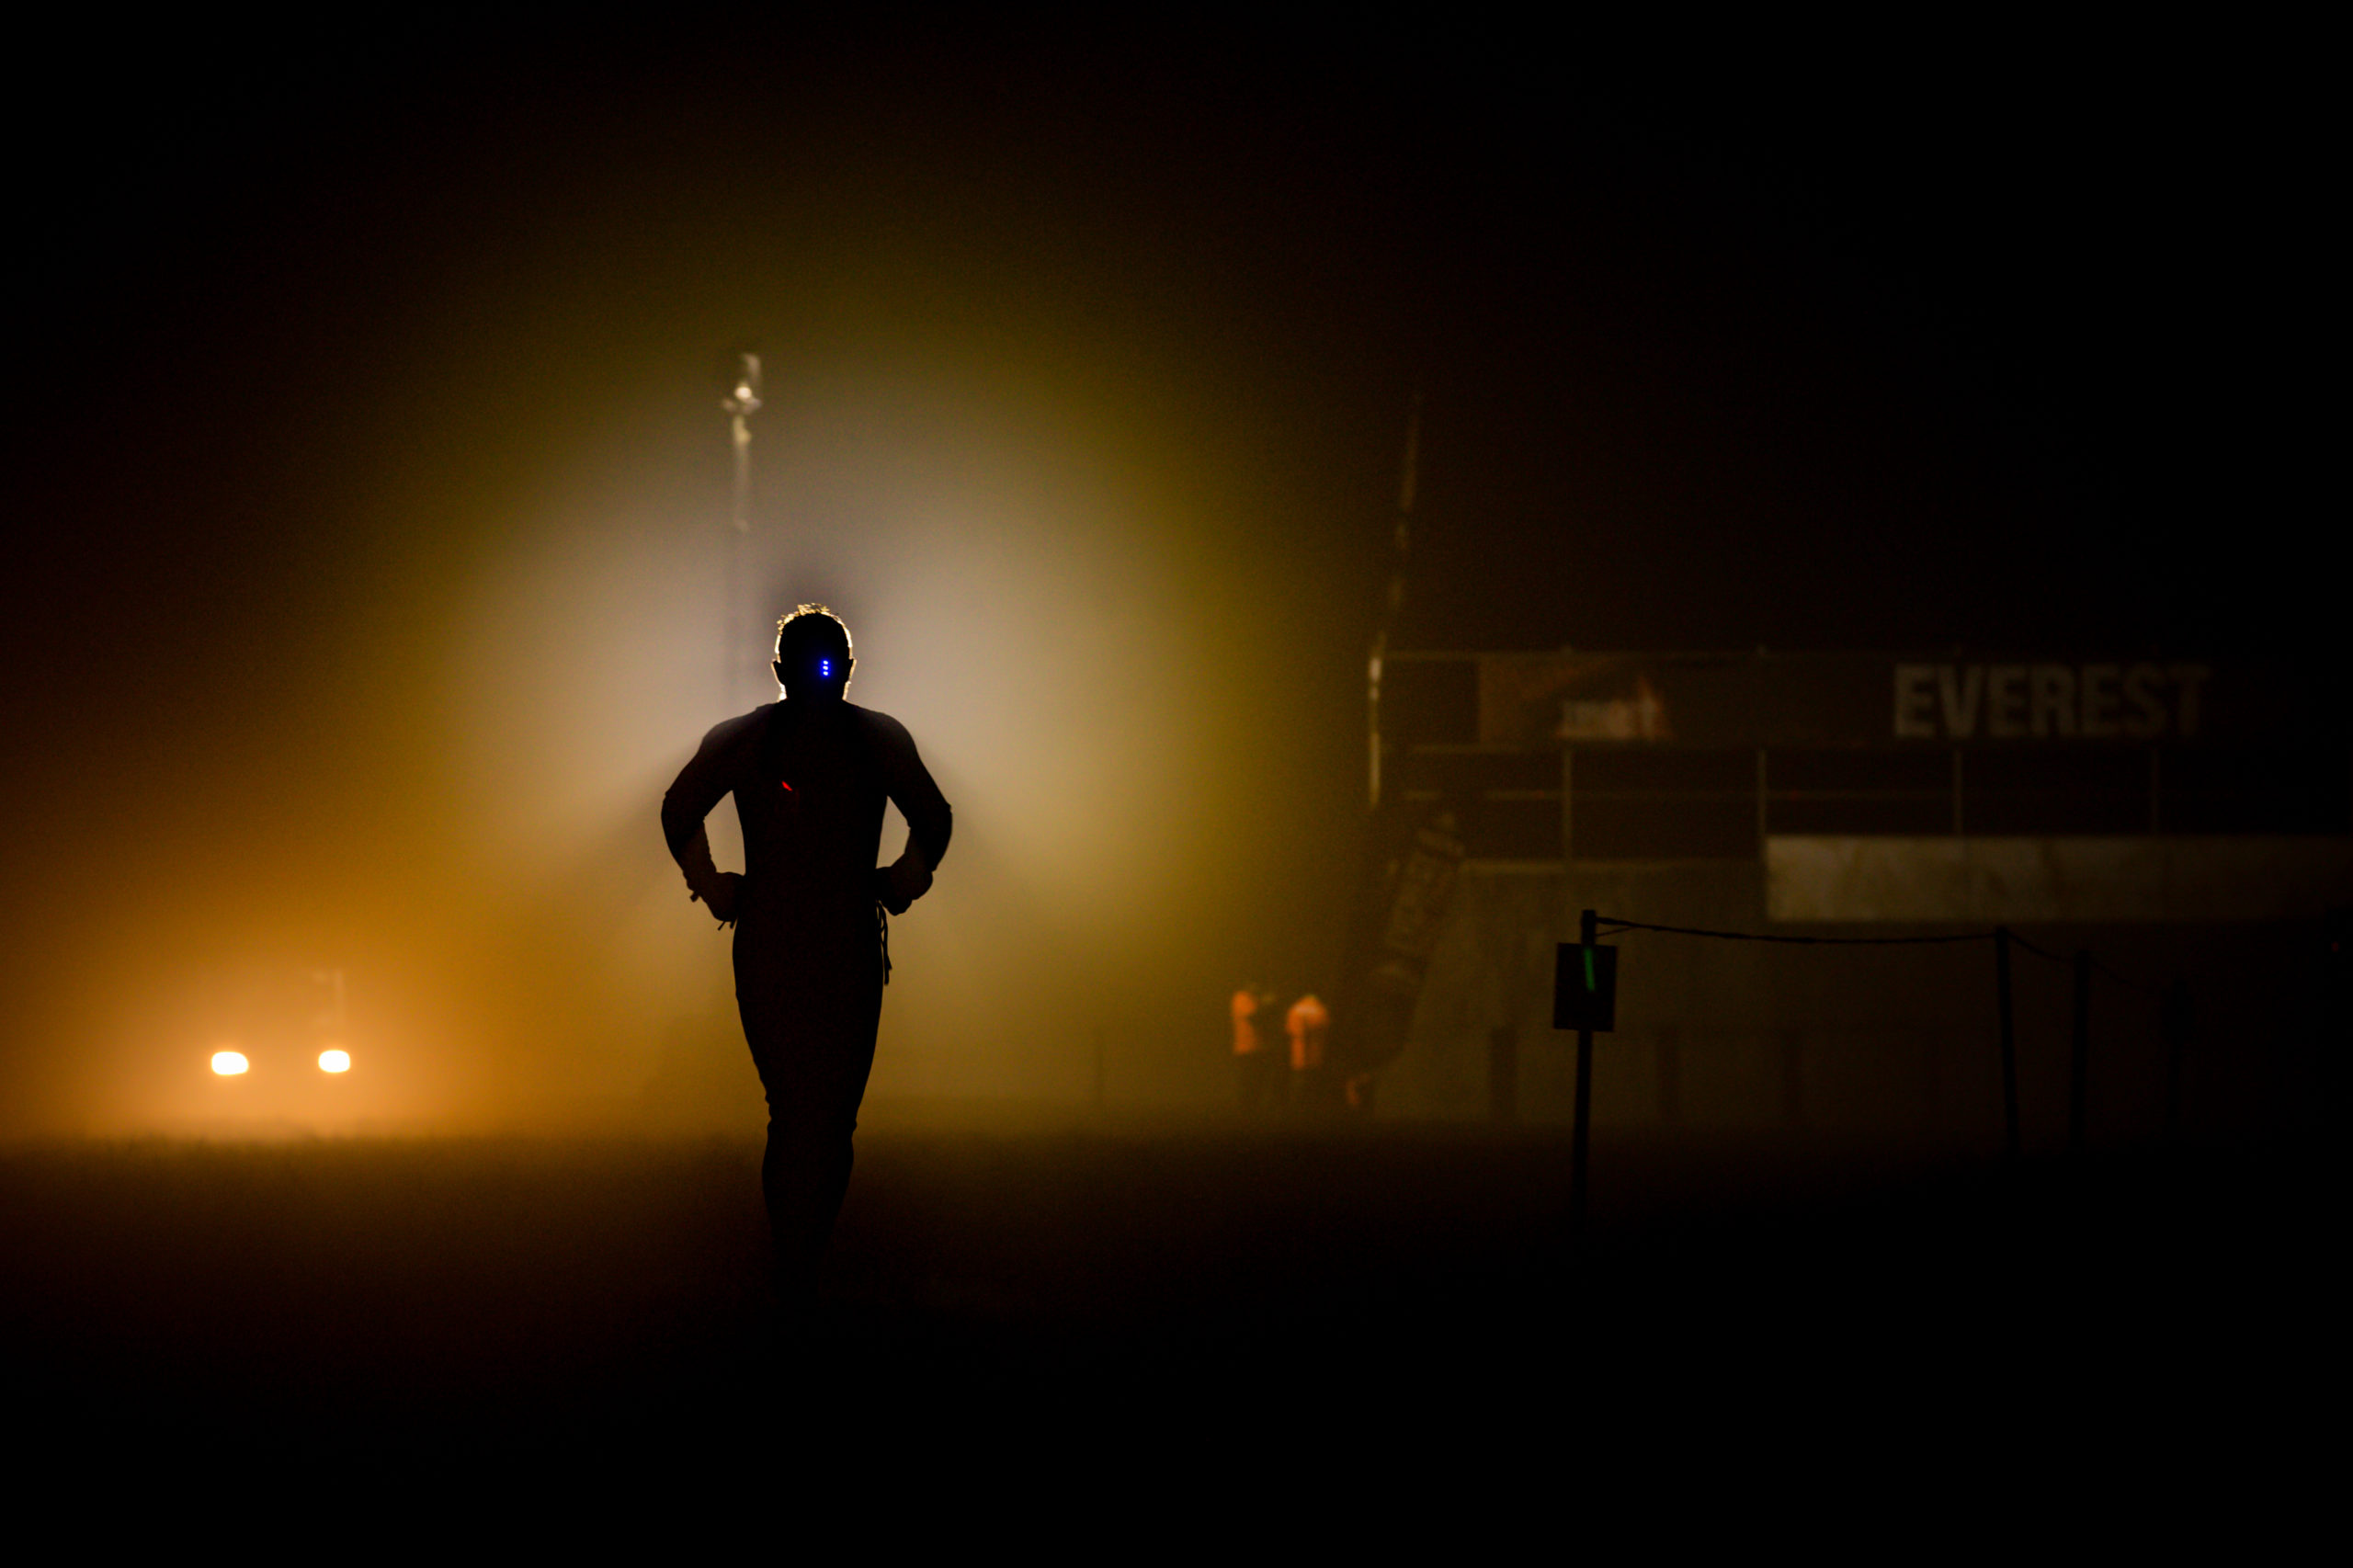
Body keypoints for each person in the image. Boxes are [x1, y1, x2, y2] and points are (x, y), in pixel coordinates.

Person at [662, 604, 951, 1303]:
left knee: (793, 1110)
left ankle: (797, 1265)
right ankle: (804, 1264)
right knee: (826, 1114)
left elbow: (678, 808)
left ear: (776, 668)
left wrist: (713, 886)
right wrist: (902, 883)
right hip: (844, 939)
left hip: (774, 939)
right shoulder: (878, 740)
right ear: (848, 669)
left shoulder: (744, 740)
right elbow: (934, 819)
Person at [1232, 984, 1283, 1111]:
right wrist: (1267, 1004)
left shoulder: (1253, 998)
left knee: (1258, 1082)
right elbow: (1254, 1017)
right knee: (1249, 1082)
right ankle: (1246, 1111)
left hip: (1258, 1047)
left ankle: (1253, 1111)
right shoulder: (1242, 997)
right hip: (1247, 1047)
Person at [1287, 992, 1333, 1109]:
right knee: (1313, 1085)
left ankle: (1295, 1109)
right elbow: (1326, 1028)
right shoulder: (1320, 1009)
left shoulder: (1295, 1008)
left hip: (1298, 1055)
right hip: (1316, 1055)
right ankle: (1312, 1108)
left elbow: (1290, 1030)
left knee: (1298, 1084)